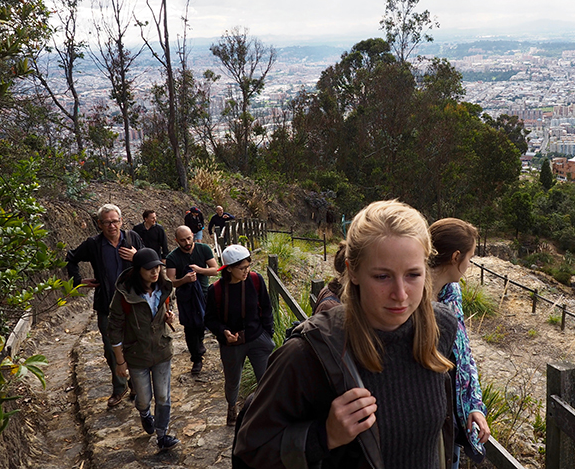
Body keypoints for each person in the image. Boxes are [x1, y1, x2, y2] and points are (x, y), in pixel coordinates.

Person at [234, 200, 458, 469]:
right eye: (382, 277)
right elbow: (250, 449)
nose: (400, 294)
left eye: (413, 274)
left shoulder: (441, 325)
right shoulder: (309, 353)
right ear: (353, 272)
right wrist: (323, 436)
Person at [66, 204, 143, 407]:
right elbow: (71, 258)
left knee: (134, 346)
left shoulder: (132, 238)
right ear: (99, 224)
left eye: (115, 221)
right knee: (111, 349)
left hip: (133, 303)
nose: (112, 225)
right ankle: (120, 387)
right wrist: (78, 280)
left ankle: (135, 384)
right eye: (107, 222)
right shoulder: (93, 244)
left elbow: (150, 262)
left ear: (121, 221)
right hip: (107, 305)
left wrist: (137, 257)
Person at [429, 218, 492, 468]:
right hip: (422, 421)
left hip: (451, 418)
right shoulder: (408, 294)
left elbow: (463, 353)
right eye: (470, 257)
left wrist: (474, 404)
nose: (469, 264)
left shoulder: (451, 291)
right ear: (456, 256)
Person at [107, 248, 180, 452]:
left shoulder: (165, 287)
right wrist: (120, 362)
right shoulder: (124, 295)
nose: (155, 272)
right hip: (137, 354)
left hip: (162, 350)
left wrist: (169, 316)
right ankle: (145, 413)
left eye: (157, 267)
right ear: (138, 270)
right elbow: (114, 328)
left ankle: (162, 434)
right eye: (149, 269)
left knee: (164, 396)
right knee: (144, 398)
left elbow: (169, 305)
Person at [204, 244, 274, 426]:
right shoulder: (216, 290)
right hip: (231, 344)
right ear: (229, 268)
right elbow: (210, 319)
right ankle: (231, 406)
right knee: (232, 380)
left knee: (266, 380)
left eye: (248, 266)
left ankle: (266, 413)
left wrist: (268, 335)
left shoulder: (256, 280)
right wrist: (223, 332)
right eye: (242, 268)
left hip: (257, 337)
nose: (246, 271)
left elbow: (266, 308)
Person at [165, 225, 218, 375]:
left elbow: (215, 269)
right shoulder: (172, 257)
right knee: (190, 328)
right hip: (186, 297)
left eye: (189, 238)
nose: (187, 242)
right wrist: (184, 280)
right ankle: (196, 358)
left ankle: (200, 345)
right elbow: (170, 282)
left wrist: (200, 270)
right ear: (176, 240)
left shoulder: (204, 249)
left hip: (205, 293)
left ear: (193, 235)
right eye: (182, 240)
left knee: (203, 324)